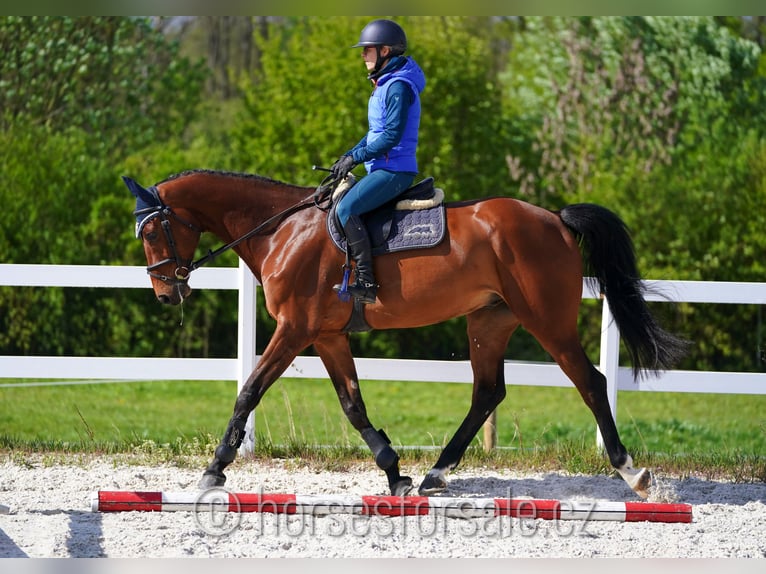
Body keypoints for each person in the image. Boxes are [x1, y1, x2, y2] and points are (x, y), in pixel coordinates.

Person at [330, 19, 426, 304]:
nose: (362, 55)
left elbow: (392, 136)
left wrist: (356, 157)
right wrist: (348, 156)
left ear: (385, 51)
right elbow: (374, 134)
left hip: (395, 170)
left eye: (367, 49)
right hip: (382, 167)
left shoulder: (398, 86)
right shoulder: (383, 84)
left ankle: (367, 283)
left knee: (346, 209)